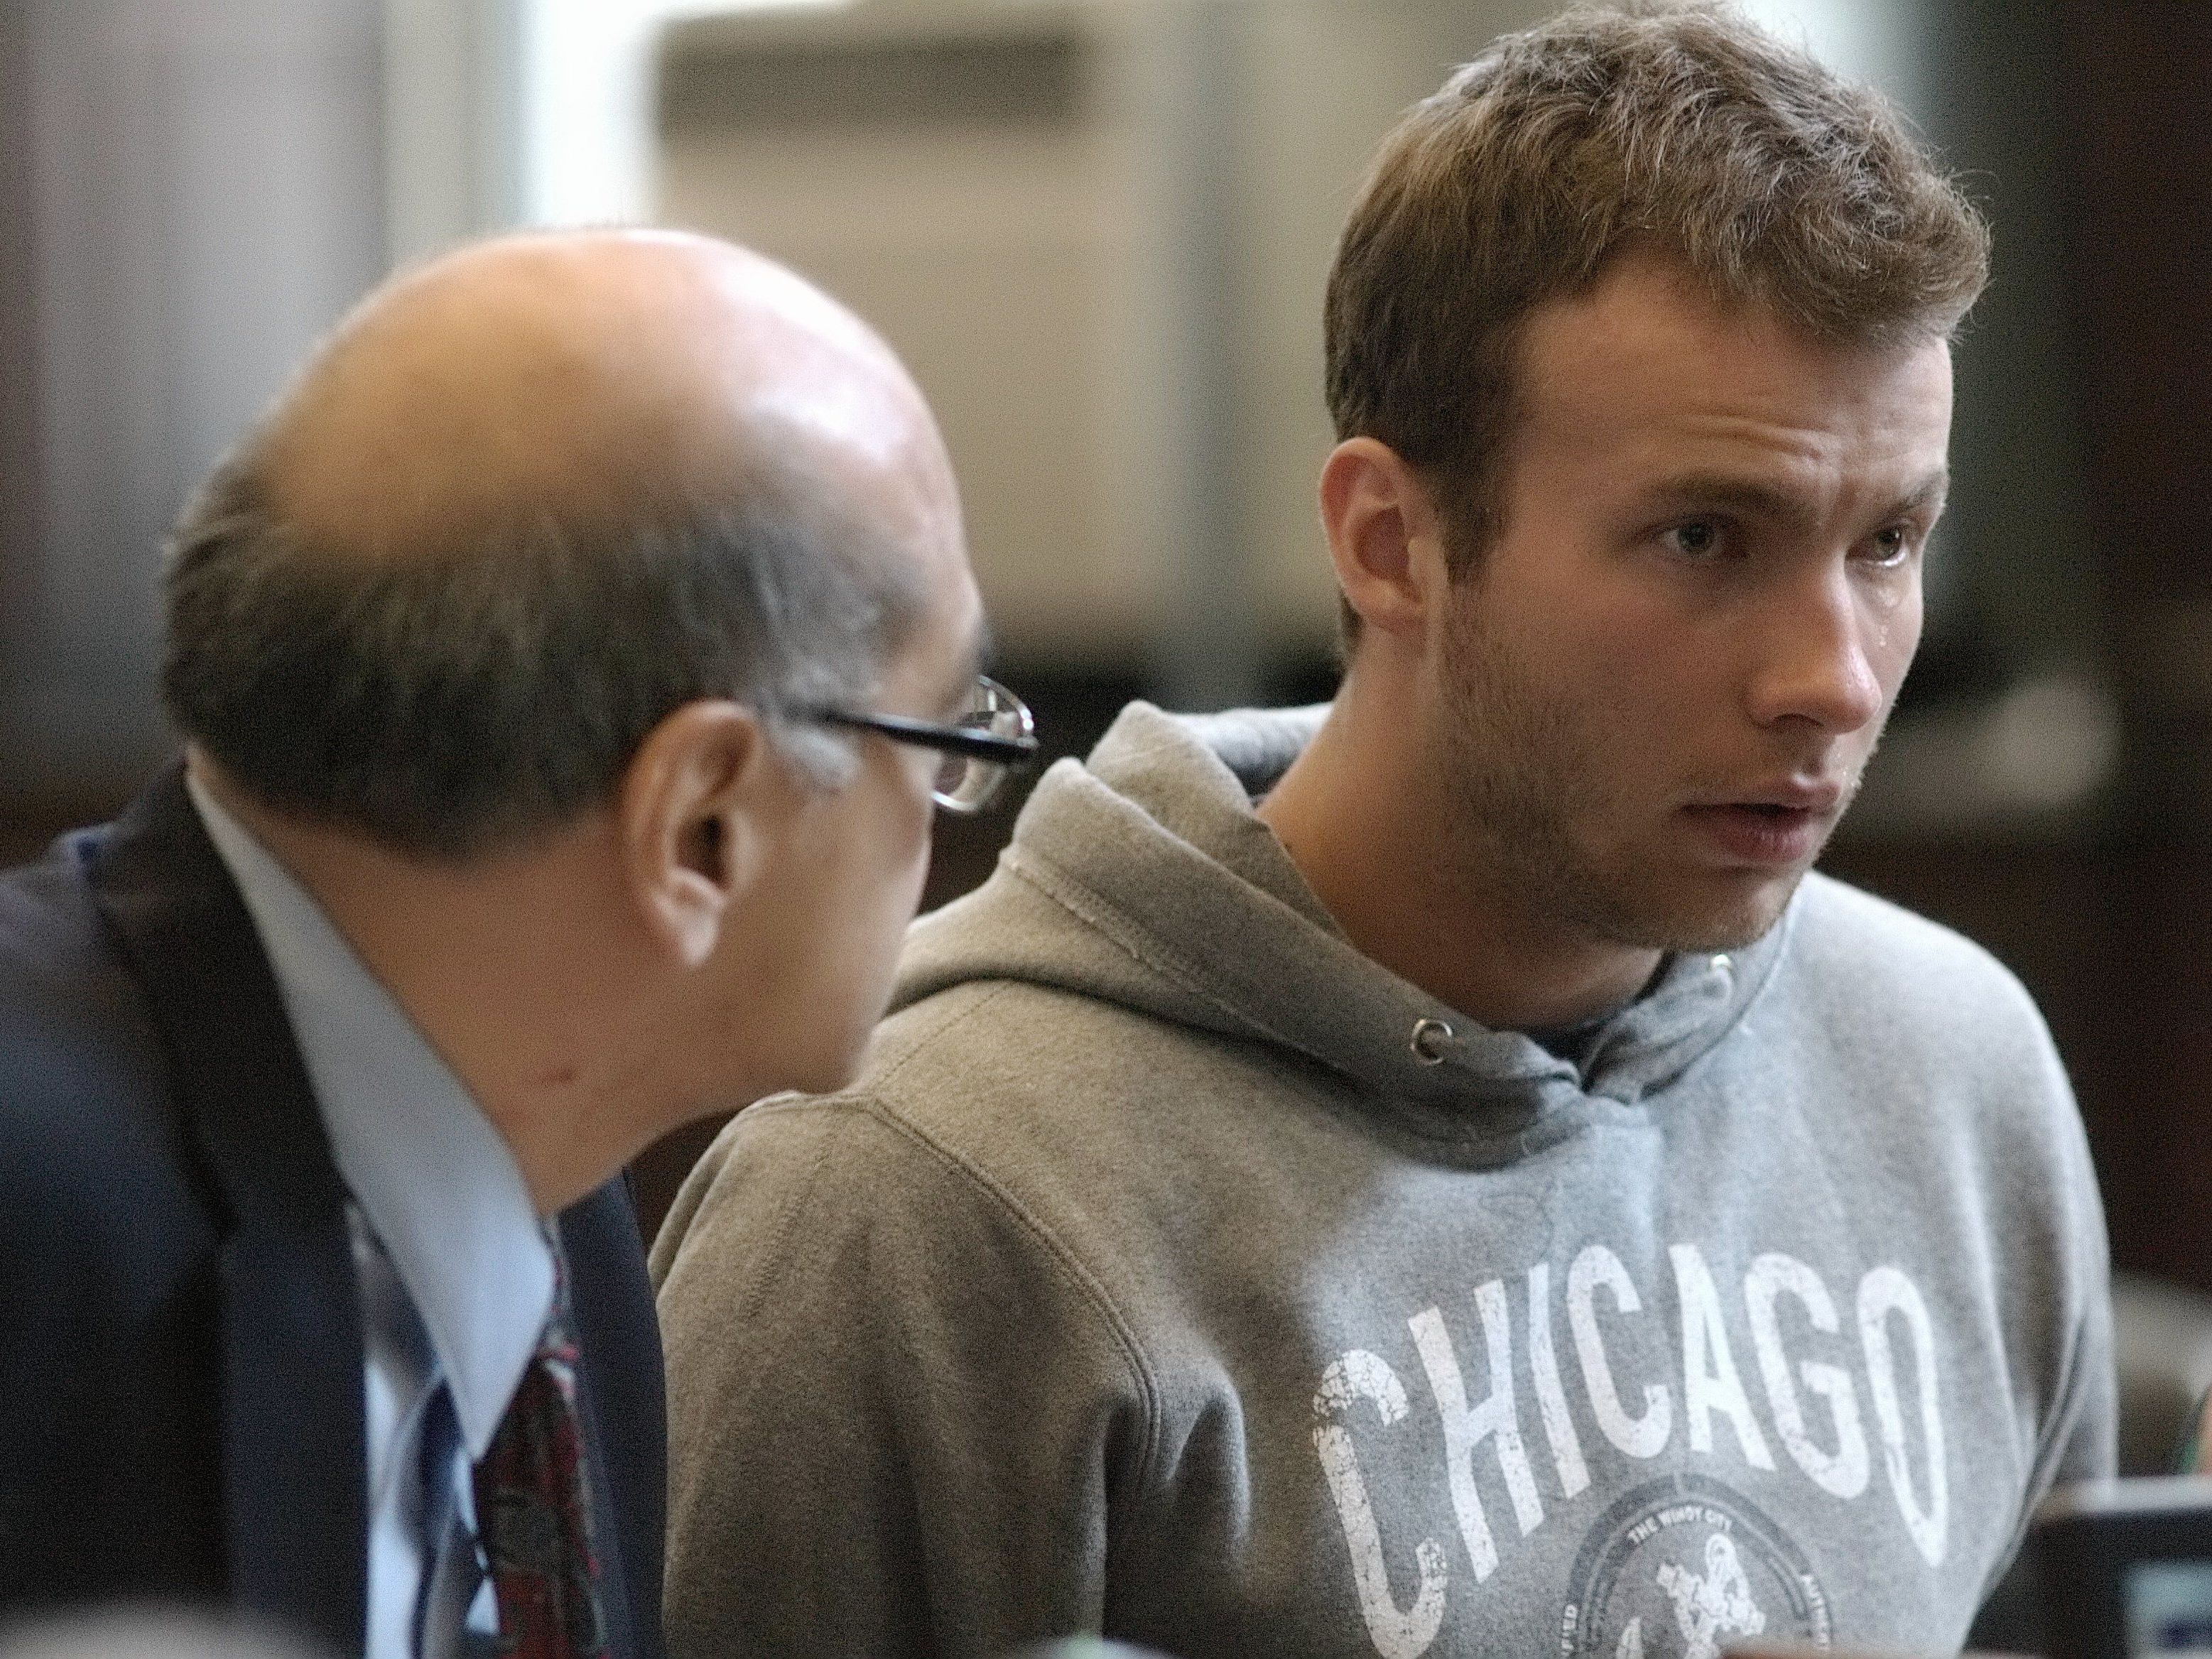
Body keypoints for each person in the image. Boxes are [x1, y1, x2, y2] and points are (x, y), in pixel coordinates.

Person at [652, 8, 2114, 1659]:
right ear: (1392, 542)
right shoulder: (912, 1206)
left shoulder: (1954, 1077)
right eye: (1705, 535)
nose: (1831, 680)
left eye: (1888, 540)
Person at [0, 229, 1024, 1659]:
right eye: (948, 728)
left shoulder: (559, 1210)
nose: (953, 793)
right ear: (701, 826)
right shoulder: (38, 1214)